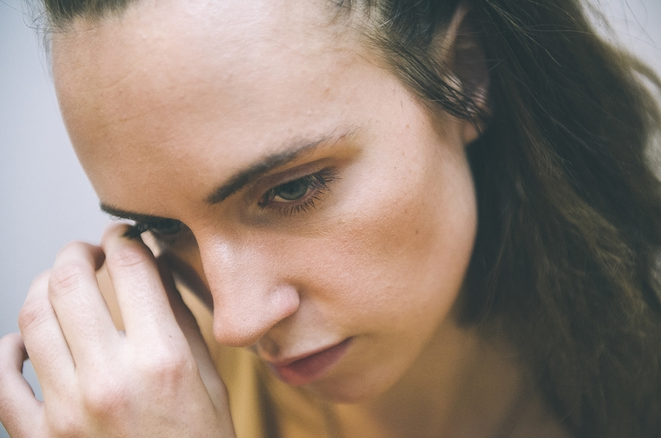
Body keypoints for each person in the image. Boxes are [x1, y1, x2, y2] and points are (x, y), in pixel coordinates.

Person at [1, 0, 661, 436]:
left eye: (291, 190)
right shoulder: (132, 395)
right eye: (162, 229)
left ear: (464, 73)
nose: (234, 322)